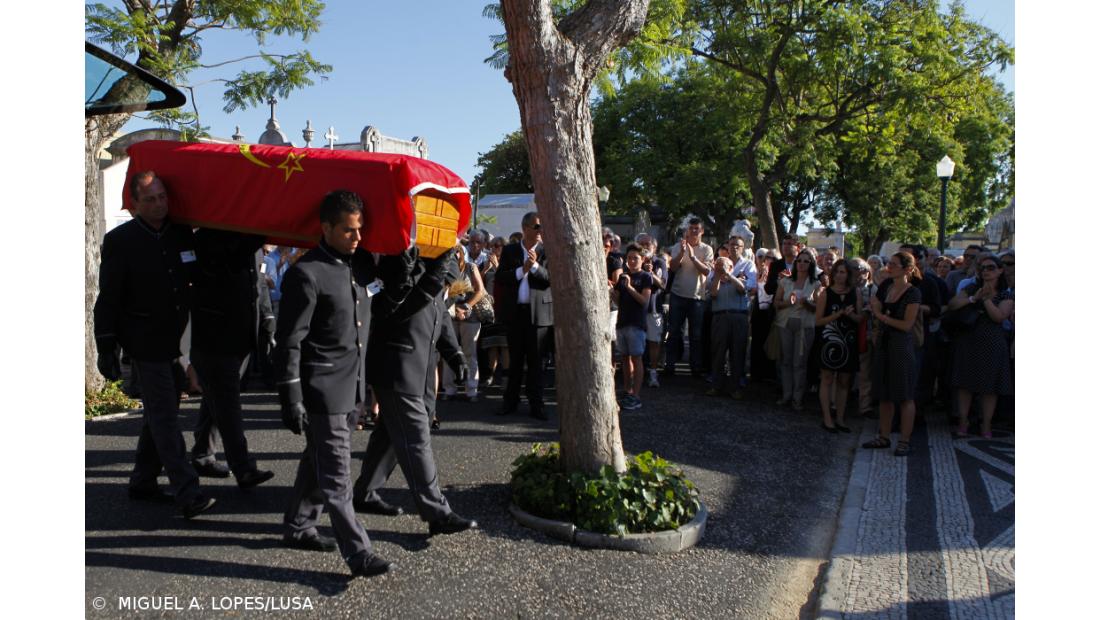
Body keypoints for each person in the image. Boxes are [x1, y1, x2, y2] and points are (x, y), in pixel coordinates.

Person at [274, 189, 392, 577]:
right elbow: (289, 341)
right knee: (337, 477)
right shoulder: (306, 273)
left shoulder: (360, 268)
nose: (357, 237)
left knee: (317, 461)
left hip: (352, 388)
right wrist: (291, 395)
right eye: (348, 230)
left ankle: (298, 525)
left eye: (360, 229)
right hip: (322, 392)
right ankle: (359, 553)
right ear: (326, 228)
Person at [93, 170, 216, 519]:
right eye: (150, 199)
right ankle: (188, 492)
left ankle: (143, 480)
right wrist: (106, 345)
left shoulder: (180, 234)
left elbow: (194, 281)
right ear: (134, 204)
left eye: (162, 197)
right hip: (144, 341)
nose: (159, 204)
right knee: (164, 416)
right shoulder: (121, 240)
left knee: (159, 413)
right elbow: (109, 297)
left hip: (176, 339)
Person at [353, 244, 477, 537]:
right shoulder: (395, 261)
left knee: (389, 435)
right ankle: (437, 512)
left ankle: (365, 492)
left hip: (420, 368)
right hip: (396, 365)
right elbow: (394, 308)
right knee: (415, 436)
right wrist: (418, 274)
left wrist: (455, 354)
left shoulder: (434, 265)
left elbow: (438, 312)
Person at [187, 228, 276, 488]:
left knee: (216, 398)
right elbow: (223, 265)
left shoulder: (252, 241)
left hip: (242, 338)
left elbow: (259, 282)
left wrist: (268, 317)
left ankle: (202, 453)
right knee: (227, 404)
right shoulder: (206, 239)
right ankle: (244, 468)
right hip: (215, 338)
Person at [862, 252, 923, 457]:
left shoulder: (913, 292)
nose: (889, 267)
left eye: (894, 264)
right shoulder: (887, 286)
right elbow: (875, 304)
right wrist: (878, 314)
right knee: (884, 394)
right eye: (889, 263)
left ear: (907, 269)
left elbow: (906, 325)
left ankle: (904, 440)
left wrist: (881, 315)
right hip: (884, 344)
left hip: (902, 346)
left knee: (905, 395)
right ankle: (884, 436)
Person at [947, 255, 1014, 439]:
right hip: (968, 339)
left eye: (990, 267)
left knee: (989, 386)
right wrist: (972, 298)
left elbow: (999, 317)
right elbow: (953, 304)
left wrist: (985, 300)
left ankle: (986, 423)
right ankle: (963, 421)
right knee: (965, 384)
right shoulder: (971, 287)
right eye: (982, 268)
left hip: (992, 341)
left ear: (1000, 270)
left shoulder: (1006, 294)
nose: (986, 271)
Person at [496, 212, 553, 420]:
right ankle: (510, 401)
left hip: (539, 315)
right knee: (515, 361)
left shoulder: (547, 251)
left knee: (537, 362)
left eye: (542, 226)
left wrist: (535, 267)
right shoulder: (510, 250)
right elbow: (501, 277)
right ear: (525, 228)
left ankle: (536, 404)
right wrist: (522, 270)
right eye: (537, 226)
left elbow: (551, 278)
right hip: (516, 314)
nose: (540, 230)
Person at [814, 259, 862, 432]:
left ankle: (840, 418)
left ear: (848, 275)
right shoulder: (825, 293)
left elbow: (860, 318)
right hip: (829, 341)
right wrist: (838, 314)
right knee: (827, 378)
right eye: (837, 272)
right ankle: (827, 418)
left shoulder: (855, 292)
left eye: (843, 272)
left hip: (848, 341)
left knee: (844, 381)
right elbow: (818, 321)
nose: (840, 275)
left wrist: (850, 315)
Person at [706, 235, 756, 399]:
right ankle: (716, 385)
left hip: (738, 314)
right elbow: (712, 292)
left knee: (738, 352)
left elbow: (745, 288)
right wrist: (719, 275)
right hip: (720, 314)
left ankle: (735, 387)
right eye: (731, 244)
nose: (734, 248)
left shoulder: (748, 265)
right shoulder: (719, 263)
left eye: (738, 245)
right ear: (727, 246)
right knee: (718, 352)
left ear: (743, 248)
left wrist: (729, 276)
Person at [664, 217, 714, 377]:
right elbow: (672, 268)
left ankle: (695, 367)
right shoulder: (678, 246)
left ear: (702, 231)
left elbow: (707, 271)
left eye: (696, 228)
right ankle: (670, 365)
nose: (693, 231)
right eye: (691, 228)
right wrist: (682, 252)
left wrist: (693, 257)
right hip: (678, 294)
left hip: (697, 297)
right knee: (673, 332)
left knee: (696, 335)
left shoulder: (707, 249)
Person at [773, 249, 821, 410]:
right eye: (799, 260)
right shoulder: (785, 281)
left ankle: (797, 398)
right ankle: (786, 395)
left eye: (806, 261)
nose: (801, 264)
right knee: (786, 361)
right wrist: (788, 303)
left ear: (811, 264)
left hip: (805, 326)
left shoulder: (816, 284)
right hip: (785, 324)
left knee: (799, 363)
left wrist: (807, 303)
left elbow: (818, 308)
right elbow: (776, 303)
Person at [442, 243, 486, 402]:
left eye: (457, 252)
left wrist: (466, 307)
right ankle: (449, 389)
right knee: (449, 352)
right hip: (450, 313)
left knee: (470, 353)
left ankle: (471, 389)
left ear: (462, 253)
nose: (455, 255)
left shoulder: (471, 267)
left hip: (470, 315)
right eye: (451, 252)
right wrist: (454, 309)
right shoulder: (444, 268)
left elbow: (480, 291)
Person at [612, 244, 654, 411]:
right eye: (629, 258)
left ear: (642, 259)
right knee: (624, 358)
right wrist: (612, 292)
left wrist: (629, 287)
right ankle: (627, 390)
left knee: (636, 358)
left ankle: (636, 395)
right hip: (622, 322)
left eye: (635, 258)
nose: (632, 261)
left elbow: (644, 301)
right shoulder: (623, 276)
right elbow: (618, 301)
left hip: (636, 324)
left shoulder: (645, 277)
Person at [635, 233, 667, 388]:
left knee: (654, 341)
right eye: (641, 244)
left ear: (654, 247)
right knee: (636, 342)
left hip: (653, 308)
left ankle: (653, 373)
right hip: (635, 308)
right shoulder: (634, 261)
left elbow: (663, 284)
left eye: (647, 244)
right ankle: (636, 373)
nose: (644, 247)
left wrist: (651, 273)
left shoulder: (659, 262)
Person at [479, 236, 508, 387]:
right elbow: (477, 284)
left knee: (504, 344)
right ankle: (490, 375)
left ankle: (505, 376)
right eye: (492, 246)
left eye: (498, 245)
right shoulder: (485, 263)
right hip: (489, 309)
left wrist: (497, 266)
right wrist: (485, 269)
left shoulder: (508, 263)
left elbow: (508, 282)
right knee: (491, 344)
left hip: (503, 307)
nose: (494, 249)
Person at [852, 257, 878, 418]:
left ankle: (865, 406)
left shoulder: (874, 290)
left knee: (865, 373)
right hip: (847, 333)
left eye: (858, 269)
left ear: (867, 272)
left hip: (865, 333)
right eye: (852, 269)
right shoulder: (845, 288)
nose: (855, 273)